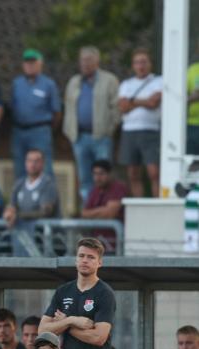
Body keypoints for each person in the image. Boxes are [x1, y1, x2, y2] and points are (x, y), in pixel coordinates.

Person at [63, 47, 120, 203]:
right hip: (80, 138)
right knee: (84, 178)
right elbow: (68, 107)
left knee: (103, 176)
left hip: (101, 137)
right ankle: (89, 211)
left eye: (89, 60)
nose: (85, 64)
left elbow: (116, 107)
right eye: (82, 60)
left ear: (97, 61)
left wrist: (109, 130)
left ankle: (105, 208)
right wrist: (70, 132)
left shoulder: (109, 80)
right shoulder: (74, 82)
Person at [118, 48, 162, 198]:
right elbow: (123, 107)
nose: (140, 66)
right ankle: (138, 204)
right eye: (137, 62)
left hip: (150, 130)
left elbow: (153, 103)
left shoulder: (158, 81)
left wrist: (132, 101)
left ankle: (157, 205)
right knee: (133, 173)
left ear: (150, 64)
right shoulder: (126, 84)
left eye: (144, 62)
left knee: (154, 172)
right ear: (133, 65)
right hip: (130, 130)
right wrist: (144, 101)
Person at [10, 49, 61, 179]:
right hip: (19, 131)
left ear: (40, 64)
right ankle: (22, 198)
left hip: (40, 131)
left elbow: (57, 112)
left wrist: (47, 128)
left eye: (33, 62)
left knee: (44, 167)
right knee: (20, 168)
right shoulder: (17, 83)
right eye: (27, 62)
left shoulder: (49, 84)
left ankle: (47, 198)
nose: (30, 65)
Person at [5, 149, 59, 256]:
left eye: (36, 161)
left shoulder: (48, 184)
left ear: (43, 163)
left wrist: (18, 215)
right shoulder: (19, 183)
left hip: (43, 244)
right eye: (29, 160)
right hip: (21, 242)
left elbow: (45, 212)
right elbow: (11, 206)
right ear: (25, 163)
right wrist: (8, 213)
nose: (32, 164)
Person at [81, 159, 126, 250]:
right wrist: (103, 210)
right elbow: (84, 213)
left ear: (110, 174)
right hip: (96, 246)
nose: (98, 178)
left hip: (115, 246)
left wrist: (93, 213)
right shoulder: (94, 190)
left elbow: (110, 213)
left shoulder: (118, 188)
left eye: (101, 174)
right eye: (95, 174)